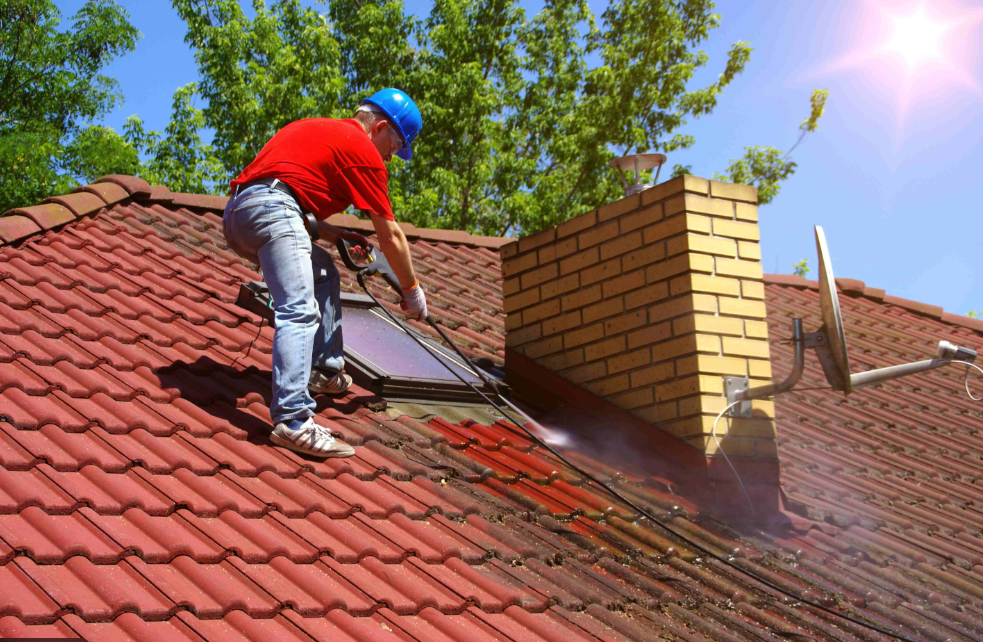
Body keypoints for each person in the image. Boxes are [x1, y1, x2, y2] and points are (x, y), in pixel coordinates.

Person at [223, 88, 428, 458]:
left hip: (238, 215)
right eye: (395, 146)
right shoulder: (364, 150)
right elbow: (391, 235)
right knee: (299, 309)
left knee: (322, 273)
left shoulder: (316, 128)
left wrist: (337, 235)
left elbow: (281, 199)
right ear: (381, 128)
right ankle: (293, 421)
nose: (390, 157)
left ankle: (324, 369)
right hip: (274, 209)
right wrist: (411, 290)